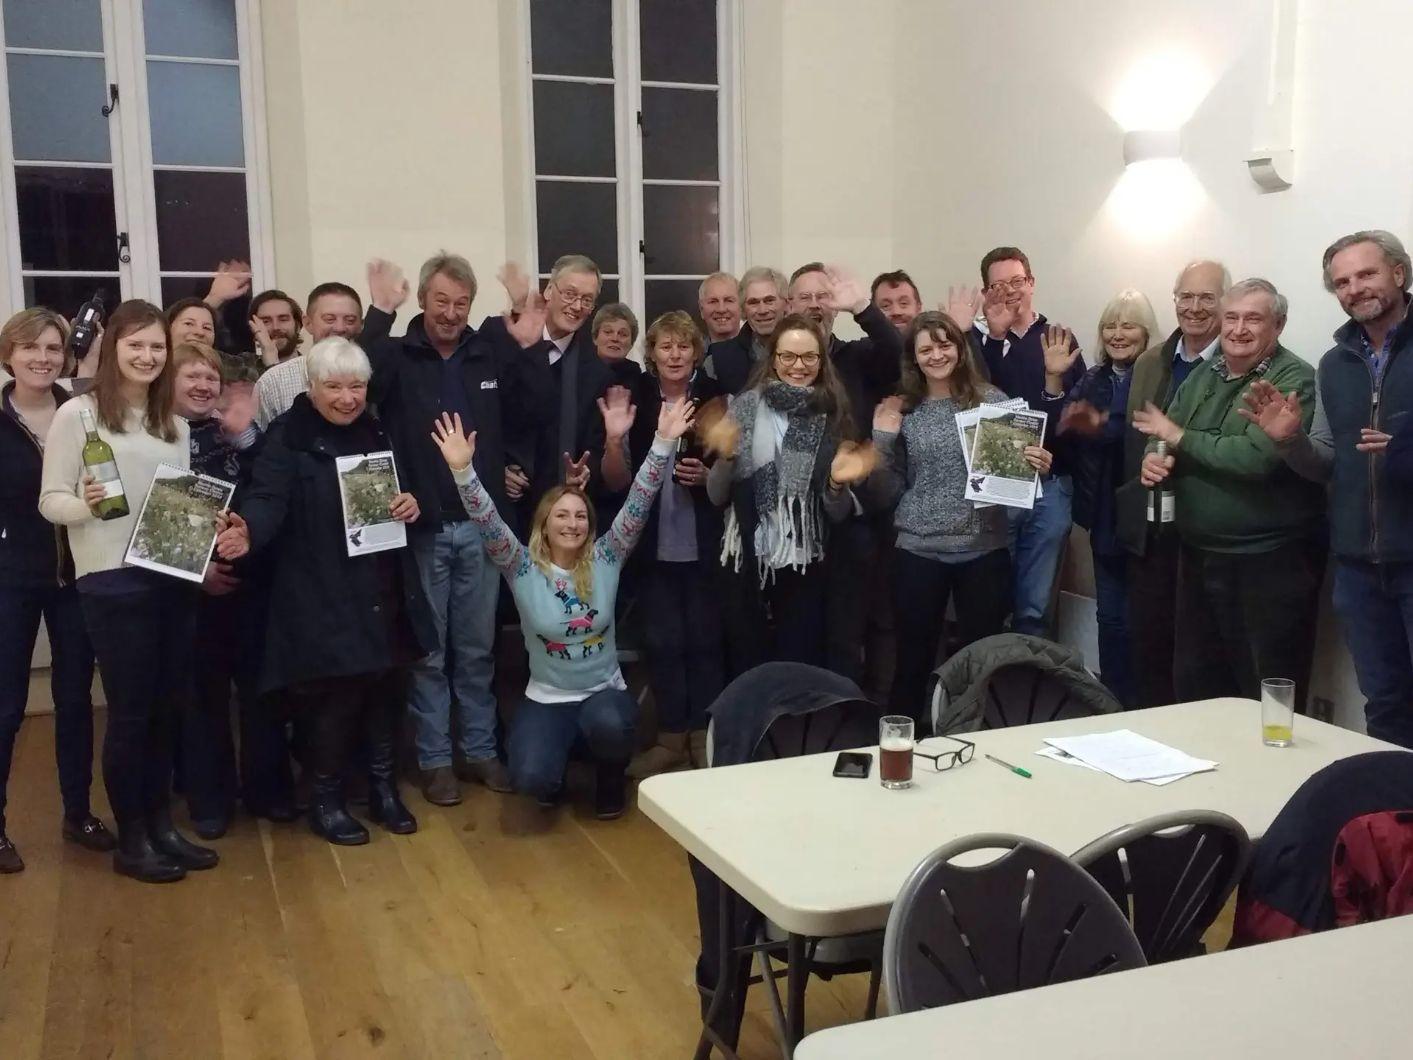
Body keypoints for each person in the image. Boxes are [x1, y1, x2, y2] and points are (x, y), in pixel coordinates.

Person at [39, 300, 249, 883]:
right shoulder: (78, 415)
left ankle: (162, 828)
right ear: (113, 348)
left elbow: (174, 508)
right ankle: (133, 840)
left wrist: (208, 523)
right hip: (111, 581)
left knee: (166, 709)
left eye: (157, 346)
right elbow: (50, 500)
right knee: (131, 715)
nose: (148, 355)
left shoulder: (172, 425)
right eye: (136, 344)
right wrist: (91, 506)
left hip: (170, 577)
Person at [430, 397, 696, 819]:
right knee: (530, 777)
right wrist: (463, 470)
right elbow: (486, 519)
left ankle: (609, 775)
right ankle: (558, 761)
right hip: (547, 699)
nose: (572, 524)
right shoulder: (519, 565)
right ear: (544, 524)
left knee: (610, 724)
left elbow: (640, 500)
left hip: (604, 695)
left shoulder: (608, 556)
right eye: (561, 516)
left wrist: (663, 442)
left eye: (580, 517)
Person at [359, 255, 549, 806]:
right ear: (422, 299)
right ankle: (436, 760)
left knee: (477, 649)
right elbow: (359, 384)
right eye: (440, 301)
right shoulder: (398, 354)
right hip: (421, 529)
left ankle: (481, 750)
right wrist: (379, 312)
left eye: (460, 303)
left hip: (483, 528)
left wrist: (529, 347)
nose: (449, 312)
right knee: (428, 653)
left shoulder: (489, 351)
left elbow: (530, 411)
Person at [238, 337, 432, 844]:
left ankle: (384, 790)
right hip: (321, 586)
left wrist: (410, 504)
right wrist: (248, 531)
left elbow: (402, 490)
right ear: (311, 386)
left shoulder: (376, 427)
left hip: (383, 580)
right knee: (336, 698)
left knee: (387, 687)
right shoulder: (288, 435)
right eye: (334, 387)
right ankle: (325, 800)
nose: (347, 398)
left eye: (356, 387)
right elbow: (266, 499)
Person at [1244, 232, 1413, 746]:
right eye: (1342, 282)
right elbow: (1324, 464)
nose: (1355, 289)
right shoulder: (1334, 364)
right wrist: (1289, 441)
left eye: (1366, 274)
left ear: (1399, 273)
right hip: (1359, 567)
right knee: (1385, 706)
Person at [1135, 279, 1325, 711]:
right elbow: (1163, 430)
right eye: (1232, 318)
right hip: (1199, 556)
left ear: (1278, 325)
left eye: (1253, 319)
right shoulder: (1207, 371)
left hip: (1268, 563)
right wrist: (1154, 456)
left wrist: (1178, 437)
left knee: (1266, 690)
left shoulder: (1293, 378)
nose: (1239, 329)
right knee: (1197, 685)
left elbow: (1255, 459)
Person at [869, 311, 1043, 725]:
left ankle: (975, 738)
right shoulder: (902, 408)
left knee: (981, 662)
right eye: (925, 348)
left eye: (944, 344)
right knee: (912, 661)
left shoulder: (993, 403)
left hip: (982, 549)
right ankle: (900, 745)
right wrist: (882, 439)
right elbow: (884, 491)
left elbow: (1013, 489)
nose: (936, 355)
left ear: (960, 349)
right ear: (913, 357)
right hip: (919, 549)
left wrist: (1034, 467)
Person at [0, 309, 112, 874]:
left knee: (75, 699)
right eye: (30, 348)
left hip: (76, 576)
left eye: (52, 348)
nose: (42, 358)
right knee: (6, 705)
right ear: (9, 355)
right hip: (11, 579)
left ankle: (78, 812)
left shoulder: (84, 412)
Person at [706, 314, 877, 670]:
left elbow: (838, 514)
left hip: (806, 563)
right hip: (746, 557)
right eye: (788, 356)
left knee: (799, 664)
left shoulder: (834, 416)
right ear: (773, 359)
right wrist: (725, 457)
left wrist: (836, 484)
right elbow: (716, 496)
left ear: (822, 361)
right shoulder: (745, 408)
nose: (798, 366)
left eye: (809, 357)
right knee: (748, 664)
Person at [169, 342, 292, 835]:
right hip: (191, 586)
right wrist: (197, 572)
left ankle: (268, 791)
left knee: (262, 691)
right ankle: (211, 801)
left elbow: (273, 489)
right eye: (192, 377)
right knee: (204, 697)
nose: (203, 386)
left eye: (210, 378)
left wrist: (247, 436)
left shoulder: (243, 434)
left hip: (254, 577)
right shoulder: (160, 436)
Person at [600, 311, 726, 776]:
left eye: (684, 346)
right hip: (651, 545)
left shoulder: (716, 397)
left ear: (696, 352)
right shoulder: (634, 398)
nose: (675, 355)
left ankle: (703, 738)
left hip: (705, 542)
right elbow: (615, 483)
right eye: (665, 346)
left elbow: (734, 470)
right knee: (663, 643)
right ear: (651, 354)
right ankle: (671, 737)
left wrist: (710, 477)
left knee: (707, 643)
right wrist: (615, 443)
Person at [948, 247, 1085, 637]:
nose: (1009, 291)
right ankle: (989, 668)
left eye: (1017, 281)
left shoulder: (1057, 338)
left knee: (1035, 605)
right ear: (985, 292)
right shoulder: (974, 340)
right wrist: (994, 337)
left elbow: (1071, 417)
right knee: (988, 598)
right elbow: (977, 401)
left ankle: (1028, 671)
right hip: (994, 487)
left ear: (1032, 283)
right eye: (998, 285)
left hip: (1049, 485)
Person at [1116, 261, 1229, 707]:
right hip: (1152, 527)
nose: (1194, 307)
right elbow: (1136, 436)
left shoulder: (1236, 359)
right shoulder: (1150, 361)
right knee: (1150, 646)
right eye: (1186, 296)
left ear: (1225, 302)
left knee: (1200, 659)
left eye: (1207, 298)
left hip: (1206, 530)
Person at [1056, 290, 1161, 707]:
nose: (1118, 334)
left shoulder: (1159, 374)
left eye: (1128, 325)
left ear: (1146, 332)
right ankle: (1112, 703)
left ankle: (1144, 704)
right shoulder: (1093, 377)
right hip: (1102, 515)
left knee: (1146, 618)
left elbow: (1135, 430)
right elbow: (1066, 430)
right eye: (1110, 326)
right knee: (1110, 617)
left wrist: (1096, 425)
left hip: (1148, 517)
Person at [481, 255, 611, 514]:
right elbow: (480, 414)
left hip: (556, 510)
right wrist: (497, 468)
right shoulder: (498, 334)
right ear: (549, 290)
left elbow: (592, 448)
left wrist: (585, 472)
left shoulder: (596, 372)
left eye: (587, 300)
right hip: (496, 505)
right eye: (570, 294)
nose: (577, 306)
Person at [254, 282, 364, 429]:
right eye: (329, 319)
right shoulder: (274, 381)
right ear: (307, 323)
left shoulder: (375, 375)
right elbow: (256, 439)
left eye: (350, 320)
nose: (340, 328)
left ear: (361, 325)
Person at [705, 266, 789, 395]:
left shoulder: (807, 352)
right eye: (753, 302)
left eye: (769, 300)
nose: (762, 310)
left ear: (786, 305)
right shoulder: (717, 360)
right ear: (743, 310)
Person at [590, 302, 643, 387]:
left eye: (623, 334)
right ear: (595, 338)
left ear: (631, 343)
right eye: (608, 332)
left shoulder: (641, 381)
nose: (615, 338)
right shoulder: (576, 372)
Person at [698, 272, 742, 345]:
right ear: (701, 309)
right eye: (713, 301)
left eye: (729, 300)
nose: (721, 309)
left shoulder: (759, 351)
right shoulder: (693, 352)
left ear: (741, 307)